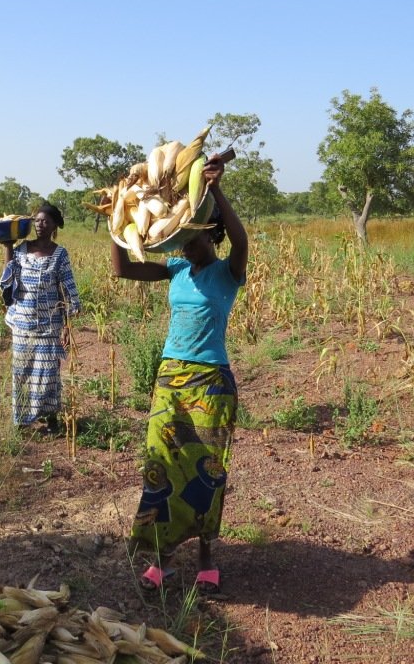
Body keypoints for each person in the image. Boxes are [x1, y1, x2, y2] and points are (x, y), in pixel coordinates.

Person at [110, 153, 248, 594]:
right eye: (180, 242)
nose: (184, 248)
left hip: (210, 382)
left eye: (191, 240)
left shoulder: (228, 273)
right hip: (170, 377)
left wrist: (218, 190)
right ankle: (164, 558)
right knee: (163, 465)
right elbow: (124, 268)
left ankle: (206, 555)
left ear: (208, 234)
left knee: (207, 470)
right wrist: (120, 218)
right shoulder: (176, 270)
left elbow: (242, 240)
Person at [0, 204, 81, 434]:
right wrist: (7, 246)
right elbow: (8, 276)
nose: (39, 224)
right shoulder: (21, 249)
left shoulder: (59, 254)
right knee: (21, 373)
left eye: (45, 221)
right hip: (22, 324)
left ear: (54, 225)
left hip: (49, 326)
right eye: (37, 220)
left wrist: (67, 325)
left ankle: (51, 420)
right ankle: (22, 420)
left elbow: (67, 289)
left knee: (48, 375)